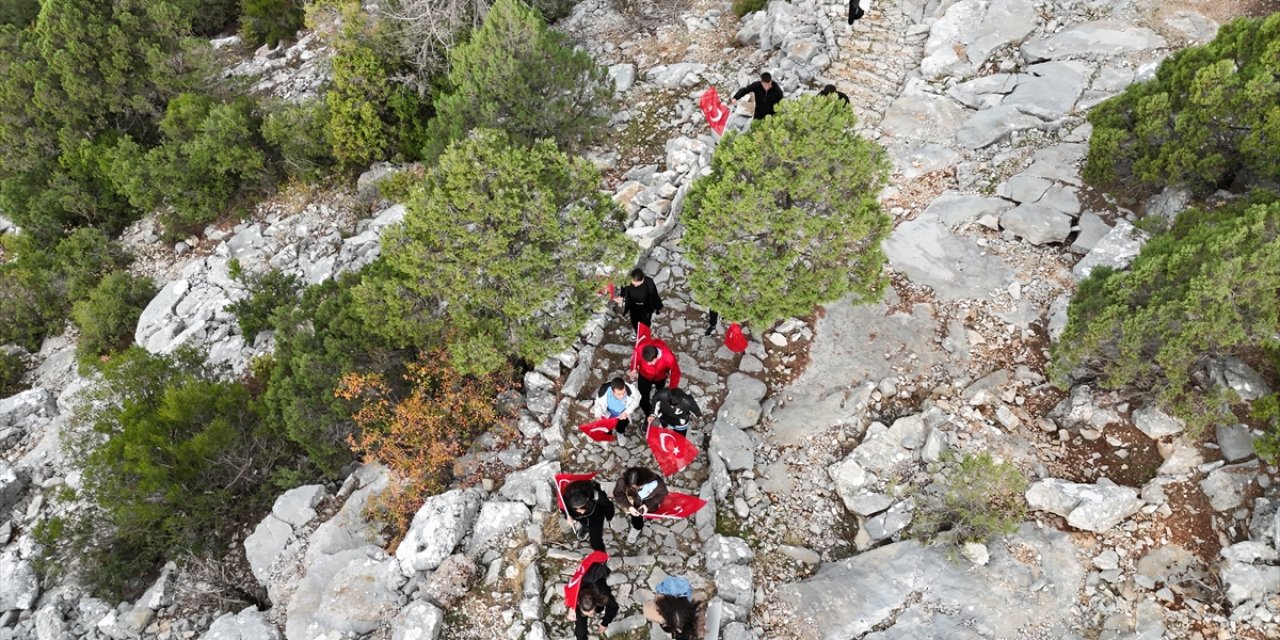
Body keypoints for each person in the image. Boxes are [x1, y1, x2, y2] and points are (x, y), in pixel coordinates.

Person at [613, 466, 669, 545]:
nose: (636, 489)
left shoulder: (656, 483)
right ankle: (637, 528)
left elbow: (663, 494)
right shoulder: (622, 482)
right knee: (636, 519)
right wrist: (629, 507)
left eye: (639, 487)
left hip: (650, 504)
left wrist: (647, 505)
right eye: (632, 487)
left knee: (652, 512)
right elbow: (618, 494)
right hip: (635, 504)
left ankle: (649, 517)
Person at [630, 335, 681, 418]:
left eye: (650, 362)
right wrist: (633, 369)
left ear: (656, 357)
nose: (648, 364)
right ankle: (648, 415)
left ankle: (657, 407)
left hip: (660, 378)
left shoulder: (669, 358)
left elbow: (676, 373)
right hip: (644, 376)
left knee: (659, 397)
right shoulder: (640, 348)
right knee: (642, 400)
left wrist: (672, 389)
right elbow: (635, 360)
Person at [561, 478, 615, 552]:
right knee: (582, 520)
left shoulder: (597, 495)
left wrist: (609, 516)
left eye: (583, 507)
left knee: (595, 541)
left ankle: (601, 557)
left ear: (587, 499)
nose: (582, 511)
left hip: (595, 514)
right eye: (577, 508)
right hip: (577, 516)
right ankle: (585, 527)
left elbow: (607, 505)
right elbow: (563, 510)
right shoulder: (564, 501)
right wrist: (567, 517)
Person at [571, 563, 619, 640]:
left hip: (596, 576)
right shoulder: (574, 594)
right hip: (584, 583)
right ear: (578, 603)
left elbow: (613, 607)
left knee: (600, 609)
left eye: (591, 613)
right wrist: (571, 609)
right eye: (588, 614)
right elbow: (580, 630)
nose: (591, 616)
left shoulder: (602, 594)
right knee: (580, 630)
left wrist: (605, 623)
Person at [614, 268, 663, 337]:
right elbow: (624, 292)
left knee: (645, 322)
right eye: (633, 284)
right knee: (634, 320)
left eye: (637, 285)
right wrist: (621, 298)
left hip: (646, 306)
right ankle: (637, 332)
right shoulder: (627, 281)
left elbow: (654, 295)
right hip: (633, 305)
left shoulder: (649, 282)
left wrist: (656, 307)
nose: (635, 286)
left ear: (642, 279)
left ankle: (644, 333)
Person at [593, 377, 641, 445]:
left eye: (623, 393)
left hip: (622, 415)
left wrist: (627, 412)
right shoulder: (603, 392)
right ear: (612, 392)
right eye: (619, 394)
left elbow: (637, 399)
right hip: (607, 415)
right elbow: (598, 404)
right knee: (607, 428)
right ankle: (607, 436)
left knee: (621, 426)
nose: (622, 396)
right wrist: (598, 415)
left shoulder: (631, 390)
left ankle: (620, 433)